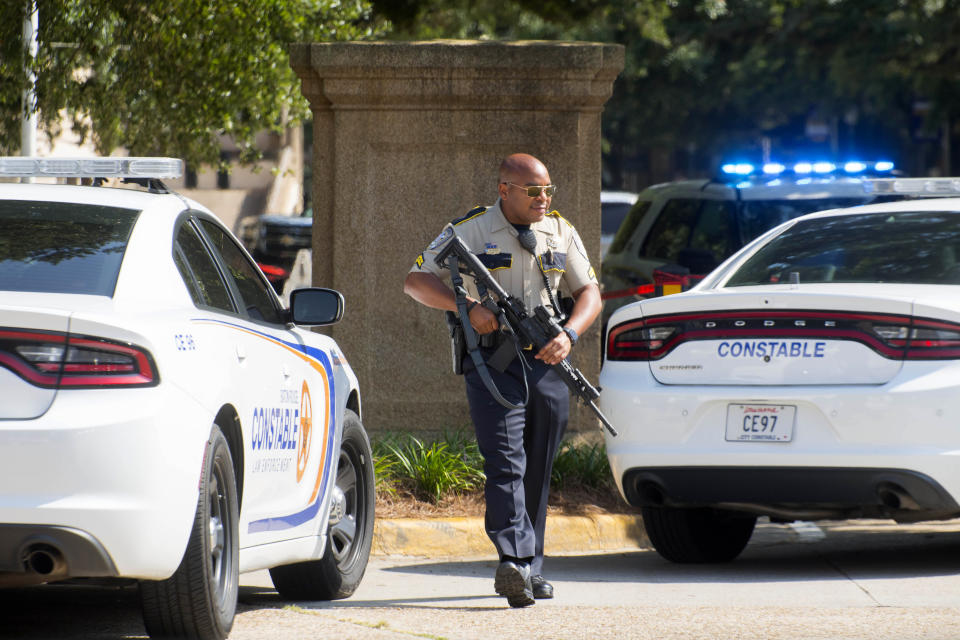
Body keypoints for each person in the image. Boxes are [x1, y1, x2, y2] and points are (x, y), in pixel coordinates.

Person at [403, 153, 601, 607]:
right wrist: (466, 307)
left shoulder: (559, 229)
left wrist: (570, 335)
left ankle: (532, 566)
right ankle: (511, 560)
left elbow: (589, 291)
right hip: (495, 363)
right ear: (504, 190)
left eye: (548, 190)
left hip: (549, 360)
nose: (543, 198)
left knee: (538, 464)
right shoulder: (470, 229)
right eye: (533, 191)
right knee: (507, 461)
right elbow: (415, 280)